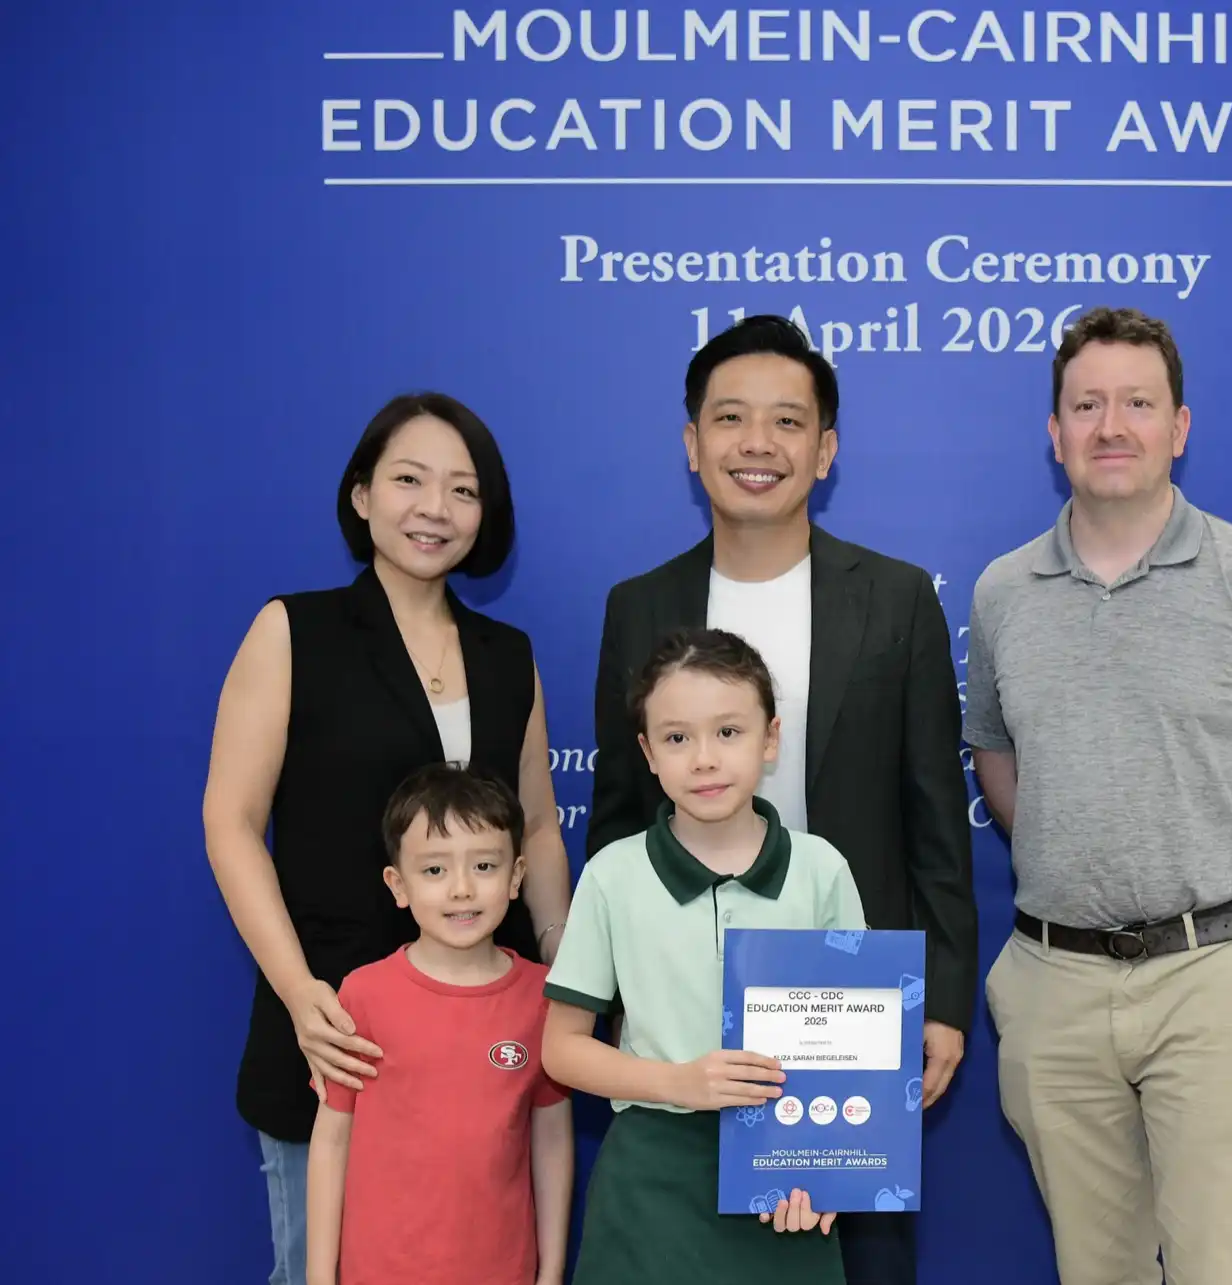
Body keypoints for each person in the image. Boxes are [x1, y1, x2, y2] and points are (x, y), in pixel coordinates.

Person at [964, 307, 1232, 1285]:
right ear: (1054, 431)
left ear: (1180, 426)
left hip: (1215, 986)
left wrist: (1222, 904)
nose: (1112, 425)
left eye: (1138, 403)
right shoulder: (1002, 593)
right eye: (1087, 405)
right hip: (1056, 986)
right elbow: (1002, 767)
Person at [583, 315, 977, 1284]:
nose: (757, 443)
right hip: (683, 1022)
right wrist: (621, 1005)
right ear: (692, 443)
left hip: (853, 1013)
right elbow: (620, 814)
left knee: (857, 1263)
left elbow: (936, 818)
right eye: (730, 418)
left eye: (787, 421)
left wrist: (940, 999)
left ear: (826, 449)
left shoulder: (897, 599)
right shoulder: (640, 605)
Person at [201, 392, 574, 1284]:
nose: (434, 508)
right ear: (362, 494)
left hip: (485, 1044)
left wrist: (565, 960)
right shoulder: (293, 630)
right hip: (338, 1030)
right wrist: (302, 994)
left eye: (463, 489)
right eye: (409, 480)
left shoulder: (507, 653)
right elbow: (231, 822)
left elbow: (537, 820)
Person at [544, 627, 864, 1284]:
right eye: (676, 738)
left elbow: (860, 1053)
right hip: (651, 1179)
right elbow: (562, 1048)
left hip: (787, 1176)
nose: (704, 759)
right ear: (647, 752)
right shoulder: (611, 875)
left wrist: (830, 1170)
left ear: (770, 738)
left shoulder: (821, 870)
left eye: (728, 731)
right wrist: (678, 1082)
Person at [305, 764, 574, 1285]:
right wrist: (319, 1275)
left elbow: (552, 1138)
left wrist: (552, 1268)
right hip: (379, 1272)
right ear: (397, 884)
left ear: (516, 876)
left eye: (484, 866)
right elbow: (332, 1140)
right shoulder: (364, 996)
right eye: (434, 870)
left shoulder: (542, 999)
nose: (461, 889)